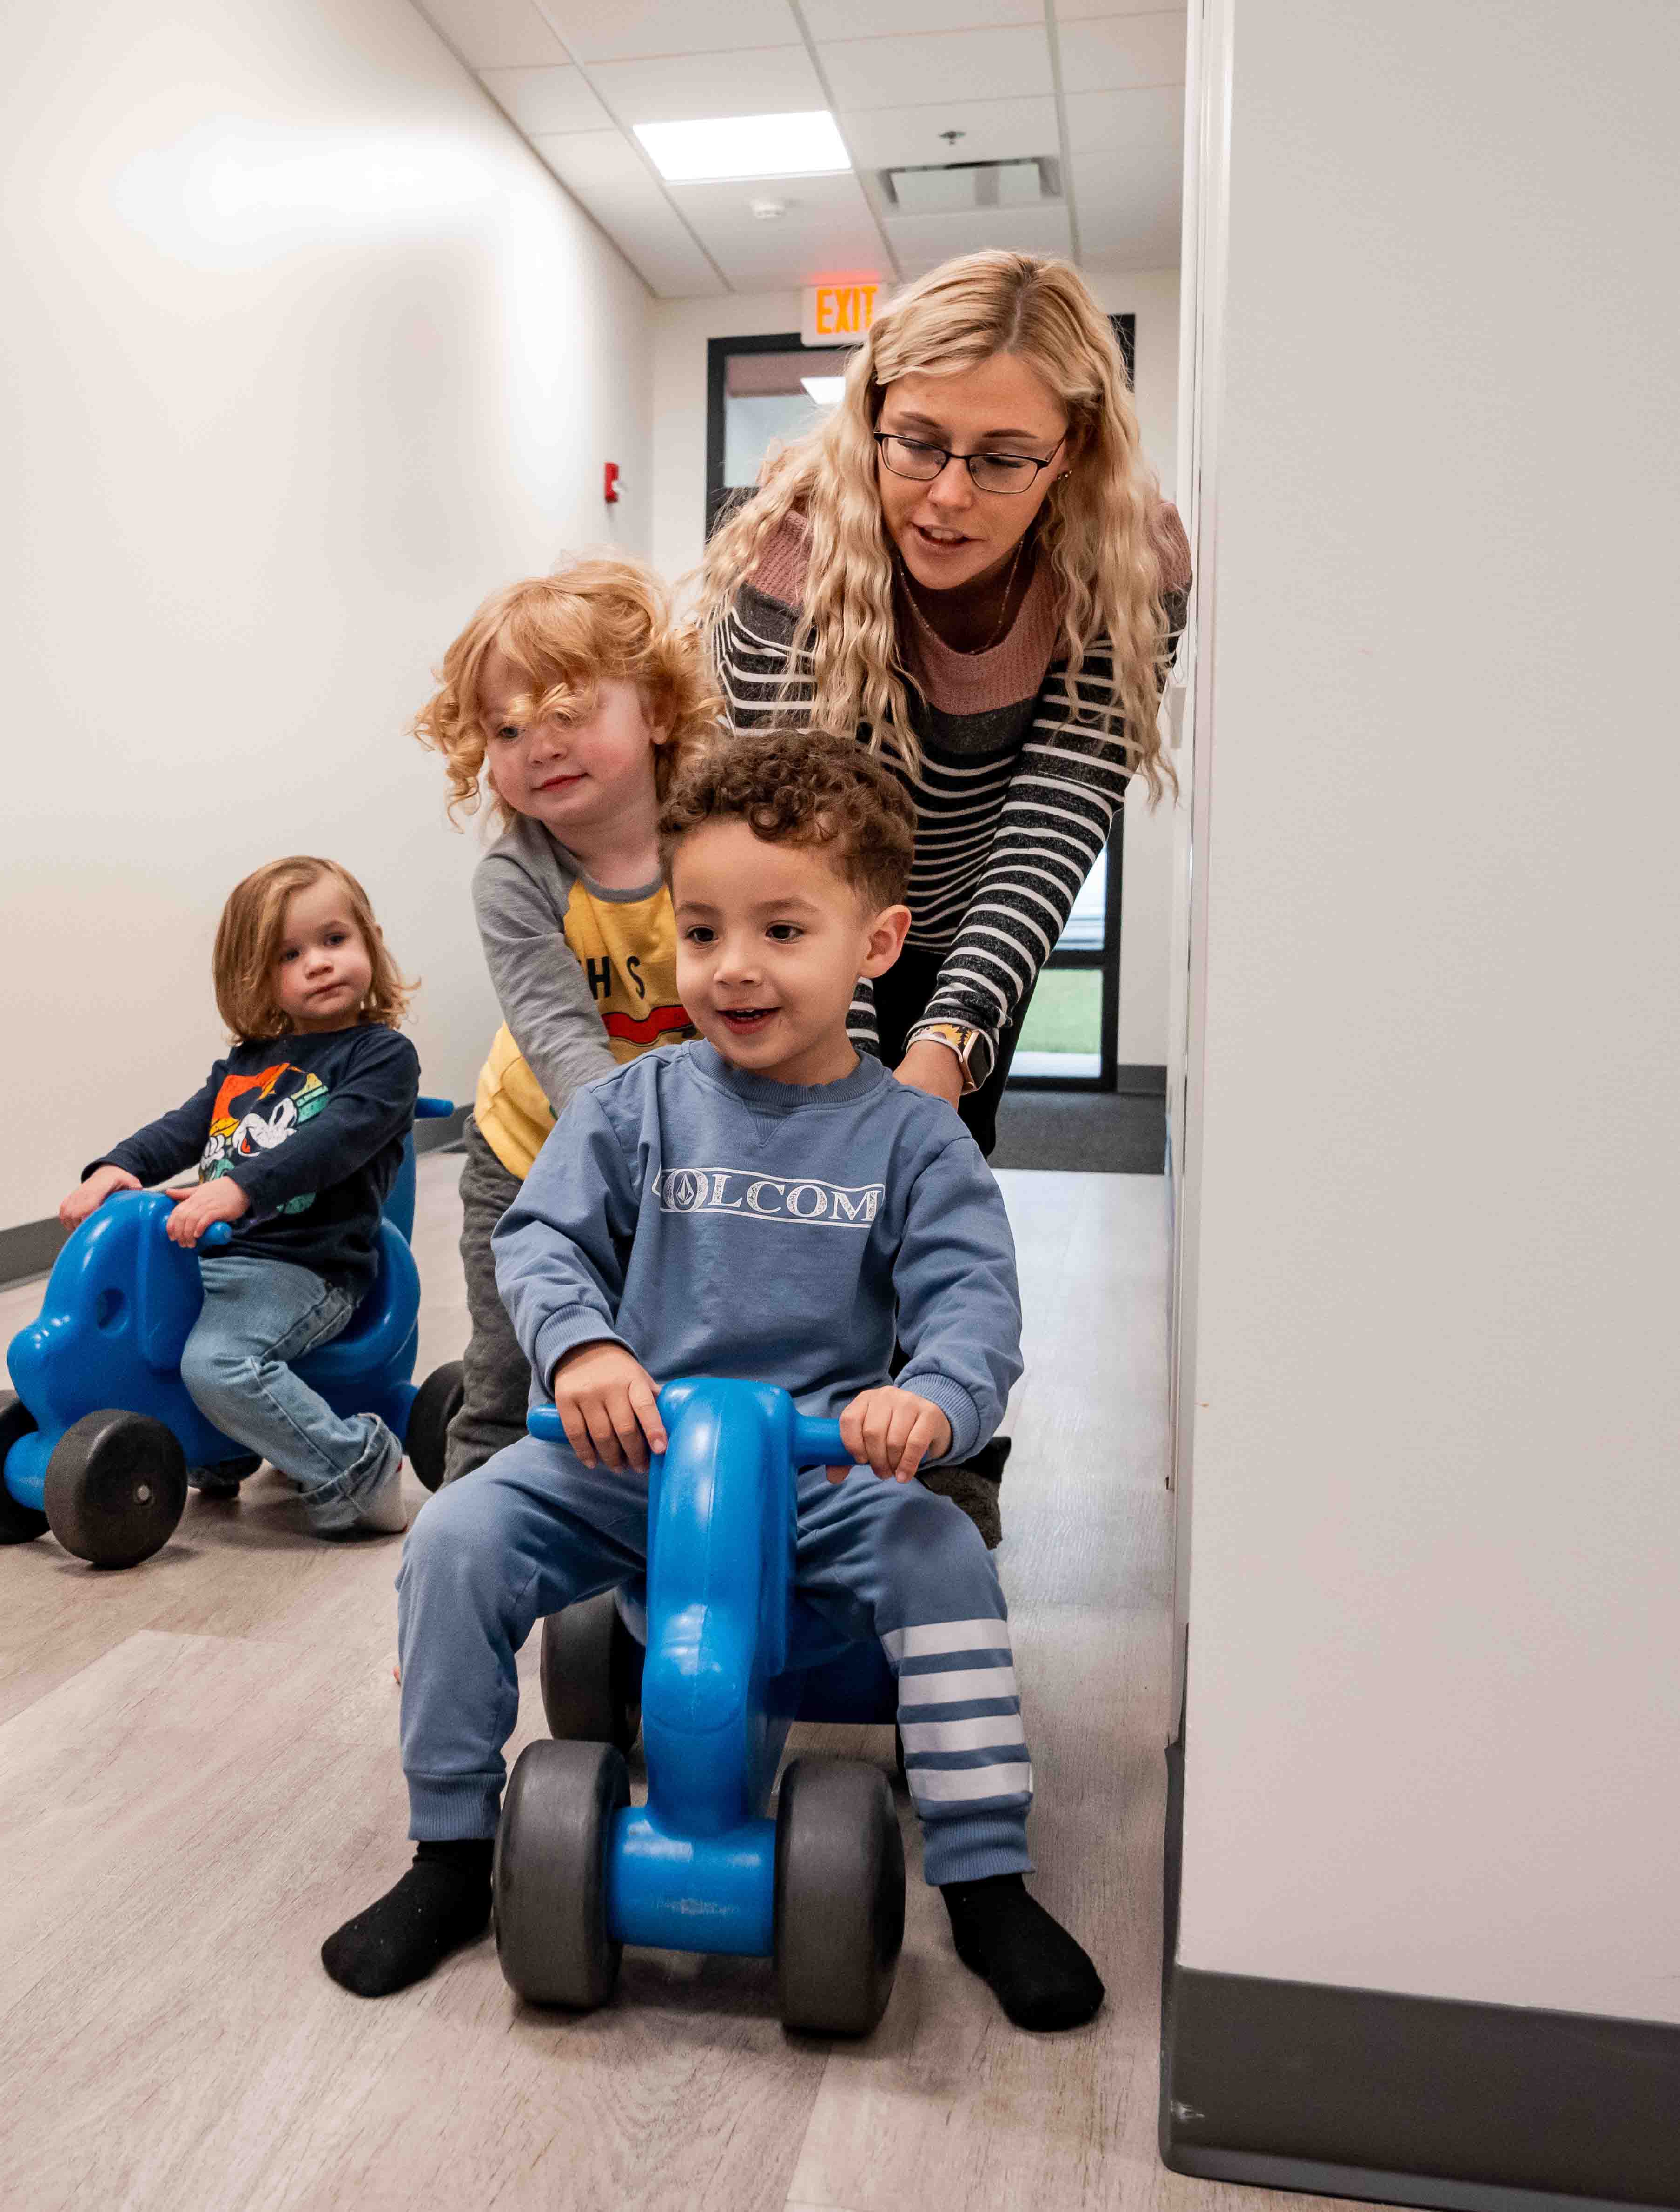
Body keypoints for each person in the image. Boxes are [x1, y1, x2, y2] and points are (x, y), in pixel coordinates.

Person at [322, 729, 1104, 2033]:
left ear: (874, 943)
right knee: (455, 1536)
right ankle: (450, 1847)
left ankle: (981, 1871)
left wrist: (929, 1400)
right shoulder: (633, 1106)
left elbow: (972, 1303)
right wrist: (584, 1348)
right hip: (630, 1460)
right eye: (699, 931)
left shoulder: (915, 1140)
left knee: (942, 1558)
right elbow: (543, 1238)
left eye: (781, 929)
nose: (731, 965)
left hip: (820, 1471)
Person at [701, 249, 1187, 1160]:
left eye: (1002, 459)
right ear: (873, 416)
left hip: (973, 921)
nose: (949, 496)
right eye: (918, 444)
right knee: (797, 1161)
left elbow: (1056, 814)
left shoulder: (1130, 561)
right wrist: (848, 1065)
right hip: (795, 909)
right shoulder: (793, 554)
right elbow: (801, 843)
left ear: (1071, 450)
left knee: (938, 1163)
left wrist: (952, 1036)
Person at [409, 555, 708, 1482]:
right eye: (507, 728)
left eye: (569, 712)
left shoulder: (717, 847)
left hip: (694, 1157)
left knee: (680, 1351)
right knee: (509, 1374)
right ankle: (471, 1522)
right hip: (528, 1157)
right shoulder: (515, 878)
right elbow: (562, 1042)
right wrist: (645, 1158)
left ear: (658, 712)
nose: (539, 744)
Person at [62, 858, 423, 1536]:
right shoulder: (247, 1062)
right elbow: (185, 1126)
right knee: (148, 1332)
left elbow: (334, 1141)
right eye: (290, 954)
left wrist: (238, 1187)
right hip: (220, 1256)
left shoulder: (382, 1057)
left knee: (218, 1362)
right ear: (255, 977)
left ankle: (358, 1466)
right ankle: (219, 1445)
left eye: (334, 939)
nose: (319, 963)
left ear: (370, 942)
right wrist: (119, 1165)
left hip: (306, 1266)